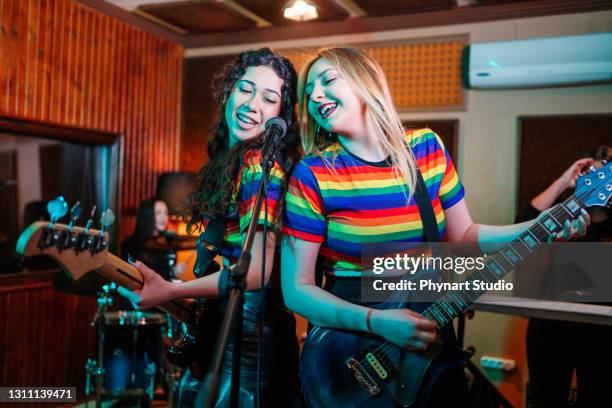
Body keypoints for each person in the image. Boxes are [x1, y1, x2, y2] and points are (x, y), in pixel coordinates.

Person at [280, 47, 590, 407]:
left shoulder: (425, 149)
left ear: (366, 81)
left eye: (328, 80)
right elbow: (297, 290)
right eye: (308, 90)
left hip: (431, 335)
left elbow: (465, 238)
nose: (315, 95)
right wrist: (376, 322)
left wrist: (538, 226)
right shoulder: (313, 174)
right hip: (350, 353)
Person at [120, 48, 303, 407]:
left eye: (269, 98)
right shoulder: (230, 161)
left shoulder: (256, 165)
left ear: (280, 115)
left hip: (251, 345)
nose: (253, 104)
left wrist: (172, 292)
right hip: (230, 329)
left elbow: (258, 271)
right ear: (228, 92)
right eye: (246, 89)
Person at [516, 146, 612, 408]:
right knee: (546, 399)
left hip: (602, 329)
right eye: (592, 170)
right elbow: (525, 220)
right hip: (552, 323)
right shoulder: (565, 212)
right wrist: (563, 182)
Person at [121, 197, 187, 281]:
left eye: (166, 213)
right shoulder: (130, 244)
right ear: (148, 215)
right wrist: (171, 272)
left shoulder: (169, 242)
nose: (164, 218)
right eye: (159, 213)